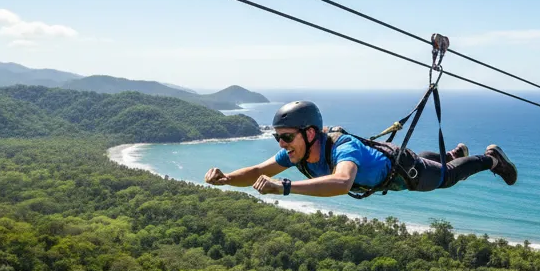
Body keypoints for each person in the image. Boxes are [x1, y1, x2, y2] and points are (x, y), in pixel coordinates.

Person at [204, 100, 517, 198]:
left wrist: (285, 186)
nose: (282, 145)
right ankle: (451, 154)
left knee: (445, 177)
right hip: (391, 164)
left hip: (404, 173)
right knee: (435, 162)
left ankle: (491, 159)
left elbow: (342, 182)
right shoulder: (295, 153)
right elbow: (258, 171)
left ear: (310, 133)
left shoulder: (344, 149)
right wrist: (227, 178)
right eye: (278, 138)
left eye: (286, 137)